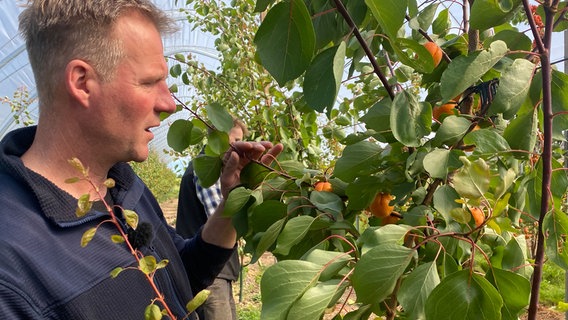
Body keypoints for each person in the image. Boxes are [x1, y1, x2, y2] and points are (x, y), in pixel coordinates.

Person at [0, 1, 283, 319]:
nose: (169, 104)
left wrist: (232, 205)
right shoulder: (12, 268)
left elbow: (182, 275)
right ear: (81, 82)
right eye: (149, 82)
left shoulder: (123, 183)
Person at [176, 119, 248, 320]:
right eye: (234, 141)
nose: (238, 148)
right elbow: (219, 214)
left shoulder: (216, 171)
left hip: (217, 271)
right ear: (215, 139)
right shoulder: (206, 171)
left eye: (240, 141)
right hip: (210, 274)